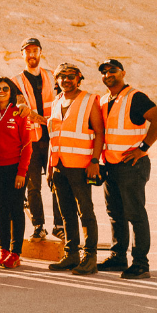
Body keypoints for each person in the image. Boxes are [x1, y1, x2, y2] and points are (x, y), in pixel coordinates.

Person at [96, 58, 157, 277]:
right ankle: (118, 258)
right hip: (111, 165)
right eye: (104, 71)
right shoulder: (104, 99)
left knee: (135, 214)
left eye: (113, 71)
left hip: (132, 165)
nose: (108, 74)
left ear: (123, 73)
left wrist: (143, 148)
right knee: (115, 214)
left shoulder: (135, 97)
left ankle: (140, 264)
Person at [44, 62, 107, 273]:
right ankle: (71, 254)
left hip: (81, 166)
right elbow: (54, 137)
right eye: (61, 76)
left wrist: (95, 161)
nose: (66, 80)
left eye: (70, 76)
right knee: (66, 213)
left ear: (78, 78)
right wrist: (50, 167)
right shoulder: (56, 102)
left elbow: (99, 132)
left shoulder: (89, 100)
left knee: (85, 211)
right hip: (59, 165)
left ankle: (90, 257)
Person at [0, 76, 33, 267]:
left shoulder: (19, 113)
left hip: (15, 169)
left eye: (5, 88)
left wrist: (22, 172)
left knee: (15, 209)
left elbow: (27, 145)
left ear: (11, 91)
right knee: (1, 209)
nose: (1, 91)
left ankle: (15, 252)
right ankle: (3, 249)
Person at [15, 38, 55, 234]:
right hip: (31, 139)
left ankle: (60, 225)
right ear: (22, 54)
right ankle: (38, 225)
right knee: (33, 186)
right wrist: (45, 120)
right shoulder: (16, 82)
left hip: (54, 138)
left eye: (35, 50)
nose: (32, 54)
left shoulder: (53, 76)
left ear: (41, 52)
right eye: (27, 51)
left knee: (56, 182)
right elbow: (23, 109)